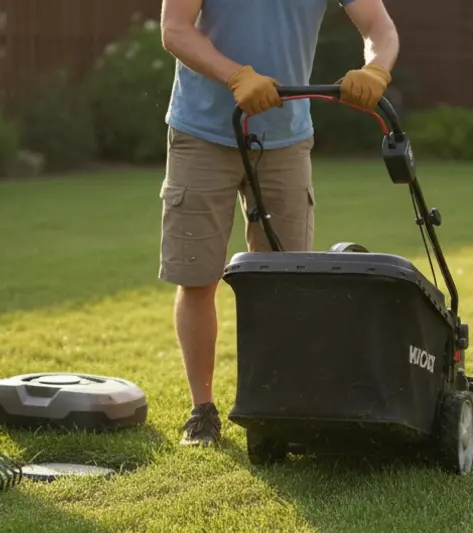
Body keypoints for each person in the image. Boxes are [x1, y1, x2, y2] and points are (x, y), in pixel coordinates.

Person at [158, 0, 400, 446]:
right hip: (201, 133)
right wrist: (235, 75)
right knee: (197, 277)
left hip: (286, 139)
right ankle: (202, 410)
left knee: (286, 284)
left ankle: (276, 406)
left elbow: (379, 27)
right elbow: (174, 30)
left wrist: (376, 70)